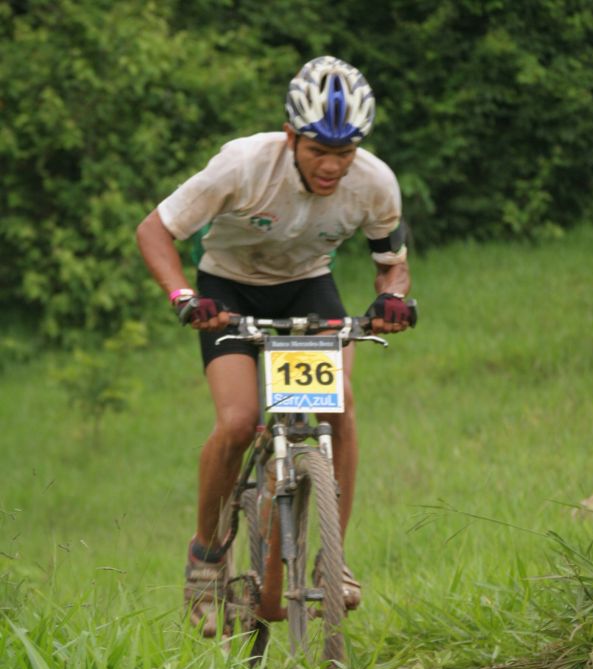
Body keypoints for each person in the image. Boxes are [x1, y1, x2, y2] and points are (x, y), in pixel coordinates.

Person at [136, 55, 416, 637]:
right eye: (319, 151)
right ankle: (205, 561)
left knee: (336, 407)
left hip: (309, 288)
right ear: (291, 136)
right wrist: (184, 296)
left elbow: (392, 266)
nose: (333, 167)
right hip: (227, 289)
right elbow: (154, 230)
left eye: (345, 153)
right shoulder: (242, 164)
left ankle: (331, 559)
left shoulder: (375, 182)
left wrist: (392, 299)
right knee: (238, 422)